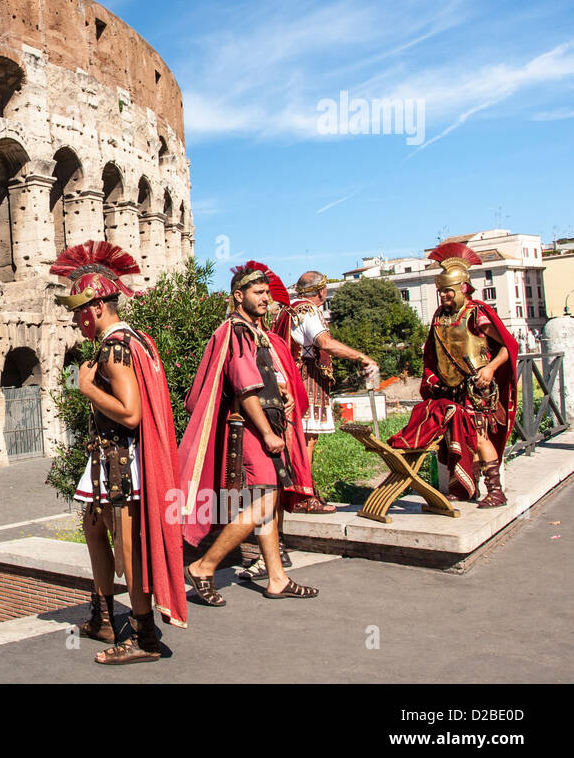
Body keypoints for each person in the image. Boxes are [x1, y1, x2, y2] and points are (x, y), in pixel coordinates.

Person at [49, 241, 188, 663]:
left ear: (96, 307)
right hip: (109, 459)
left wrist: (88, 389)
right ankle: (104, 614)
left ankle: (144, 637)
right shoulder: (132, 339)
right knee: (94, 530)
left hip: (122, 462)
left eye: (78, 311)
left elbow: (130, 414)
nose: (75, 320)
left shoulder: (114, 348)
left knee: (130, 550)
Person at [179, 263, 319, 605]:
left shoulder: (253, 332)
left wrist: (282, 392)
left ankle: (276, 578)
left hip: (261, 427)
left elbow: (262, 381)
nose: (265, 299)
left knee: (266, 505)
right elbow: (245, 389)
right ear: (238, 296)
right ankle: (203, 565)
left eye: (267, 293)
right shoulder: (237, 331)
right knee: (263, 502)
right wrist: (268, 433)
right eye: (258, 293)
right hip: (250, 432)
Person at [389, 242, 518, 507]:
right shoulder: (438, 316)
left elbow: (508, 346)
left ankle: (496, 491)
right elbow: (432, 354)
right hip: (449, 389)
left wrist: (490, 368)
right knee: (457, 438)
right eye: (441, 292)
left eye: (447, 291)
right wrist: (432, 378)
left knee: (479, 437)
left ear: (462, 288)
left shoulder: (477, 314)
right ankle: (467, 488)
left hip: (476, 388)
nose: (444, 297)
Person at [271, 271, 380, 518]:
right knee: (307, 439)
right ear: (321, 292)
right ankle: (304, 496)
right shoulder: (309, 311)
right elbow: (325, 343)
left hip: (291, 377)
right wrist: (362, 356)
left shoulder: (286, 311)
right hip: (306, 378)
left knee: (297, 438)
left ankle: (297, 492)